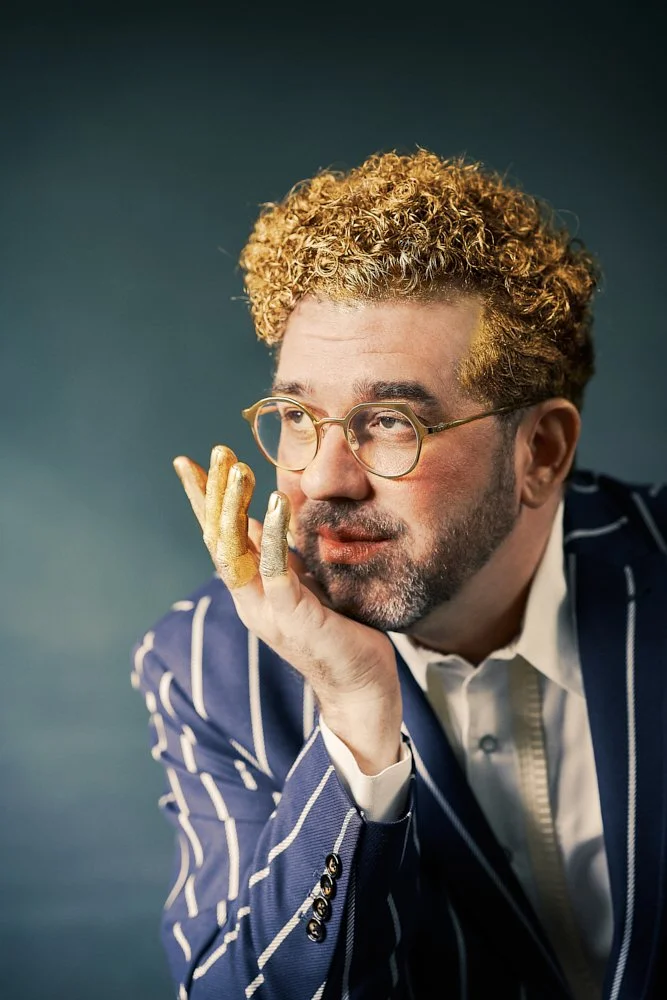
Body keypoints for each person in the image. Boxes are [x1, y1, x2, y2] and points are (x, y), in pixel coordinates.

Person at [131, 149, 667, 1000]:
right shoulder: (208, 664)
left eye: (388, 421)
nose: (322, 480)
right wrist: (354, 724)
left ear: (540, 450)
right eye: (297, 415)